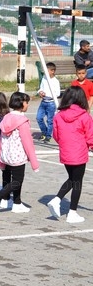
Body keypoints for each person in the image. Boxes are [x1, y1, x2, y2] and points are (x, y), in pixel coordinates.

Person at [0, 92, 40, 215]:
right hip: (18, 155)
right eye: (27, 102)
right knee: (17, 181)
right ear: (21, 103)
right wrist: (34, 162)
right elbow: (28, 142)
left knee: (13, 179)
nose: (28, 105)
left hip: (7, 154)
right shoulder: (22, 121)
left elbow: (1, 138)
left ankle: (17, 203)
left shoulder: (6, 117)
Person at [48, 86, 93, 223]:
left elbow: (55, 135)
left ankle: (57, 200)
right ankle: (71, 212)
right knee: (77, 182)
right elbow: (90, 136)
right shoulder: (85, 116)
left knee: (72, 179)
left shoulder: (58, 116)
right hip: (79, 152)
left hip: (66, 152)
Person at [36, 62, 60, 143]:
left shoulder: (55, 81)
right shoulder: (44, 78)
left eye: (47, 70)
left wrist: (48, 94)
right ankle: (44, 132)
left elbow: (57, 93)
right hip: (43, 102)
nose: (45, 71)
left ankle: (48, 135)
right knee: (39, 118)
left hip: (51, 103)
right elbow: (41, 88)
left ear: (52, 71)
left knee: (50, 120)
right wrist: (40, 92)